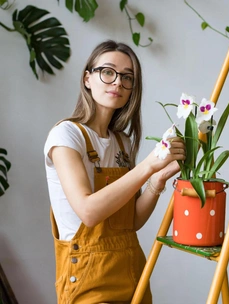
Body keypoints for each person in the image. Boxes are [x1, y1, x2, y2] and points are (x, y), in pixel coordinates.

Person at [44, 40, 186, 304]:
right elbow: (88, 212)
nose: (117, 82)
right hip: (88, 277)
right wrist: (147, 166)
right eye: (107, 72)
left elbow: (130, 222)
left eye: (127, 77)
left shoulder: (122, 142)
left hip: (130, 269)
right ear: (88, 79)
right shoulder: (66, 136)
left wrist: (158, 178)